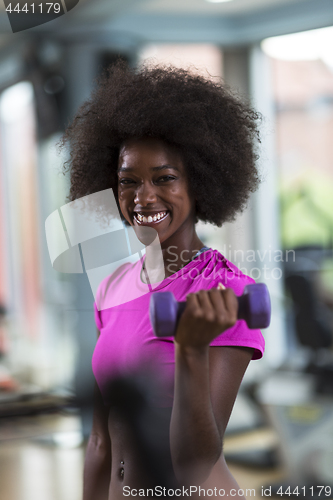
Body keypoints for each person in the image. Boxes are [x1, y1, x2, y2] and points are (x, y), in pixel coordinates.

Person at [60, 61, 265, 499]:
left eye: (165, 179)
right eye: (127, 181)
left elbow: (195, 462)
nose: (143, 197)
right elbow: (100, 441)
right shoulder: (112, 286)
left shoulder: (228, 294)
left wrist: (190, 349)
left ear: (201, 184)